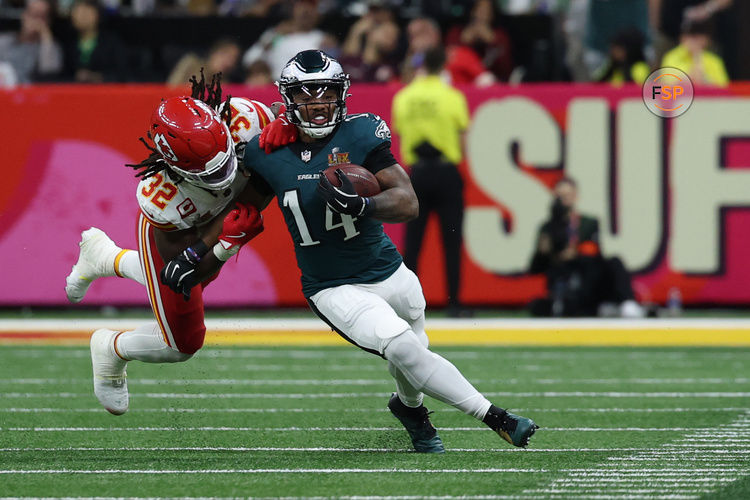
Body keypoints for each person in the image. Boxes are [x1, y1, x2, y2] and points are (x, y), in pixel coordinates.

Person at [171, 49, 538, 452]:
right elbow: (242, 210)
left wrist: (365, 204)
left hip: (390, 271)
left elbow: (407, 200)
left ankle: (410, 411)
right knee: (402, 347)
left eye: (326, 93)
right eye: (307, 95)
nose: (318, 104)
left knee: (412, 357)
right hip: (332, 285)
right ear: (289, 100)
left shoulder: (361, 134)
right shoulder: (266, 152)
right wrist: (196, 254)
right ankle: (497, 418)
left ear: (341, 94)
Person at [64, 75, 294, 415]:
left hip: (219, 214)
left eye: (227, 161)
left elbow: (283, 148)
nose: (226, 176)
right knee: (183, 342)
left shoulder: (248, 120)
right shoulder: (163, 200)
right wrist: (224, 245)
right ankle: (112, 347)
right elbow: (184, 274)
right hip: (189, 232)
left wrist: (287, 121)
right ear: (175, 166)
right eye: (211, 174)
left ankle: (105, 257)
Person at [392, 47, 471, 318]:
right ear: (443, 65)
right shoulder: (452, 96)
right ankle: (454, 304)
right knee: (452, 242)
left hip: (418, 173)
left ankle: (406, 306)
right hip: (446, 172)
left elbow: (401, 131)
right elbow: (462, 139)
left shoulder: (404, 97)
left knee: (413, 244)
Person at [528, 177, 644, 318]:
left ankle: (627, 304)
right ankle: (597, 309)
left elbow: (595, 253)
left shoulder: (588, 223)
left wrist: (575, 252)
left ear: (575, 196)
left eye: (567, 195)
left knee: (614, 262)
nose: (564, 200)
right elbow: (536, 267)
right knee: (540, 306)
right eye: (560, 196)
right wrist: (544, 252)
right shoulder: (547, 228)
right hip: (565, 281)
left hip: (589, 278)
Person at [62, 0, 128, 83]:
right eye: (76, 12)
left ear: (97, 15)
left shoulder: (112, 42)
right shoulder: (68, 44)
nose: (79, 17)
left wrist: (95, 77)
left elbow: (121, 74)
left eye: (85, 13)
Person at [0, 0, 63, 86]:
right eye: (32, 15)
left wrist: (46, 36)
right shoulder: (4, 40)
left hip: (30, 94)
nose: (35, 21)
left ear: (48, 21)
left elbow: (50, 73)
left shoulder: (49, 46)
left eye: (41, 17)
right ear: (24, 15)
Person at [661, 19, 729, 86]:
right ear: (682, 37)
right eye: (691, 34)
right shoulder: (672, 57)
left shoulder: (714, 60)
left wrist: (705, 80)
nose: (695, 40)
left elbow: (724, 88)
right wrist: (689, 78)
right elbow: (667, 85)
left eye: (700, 35)